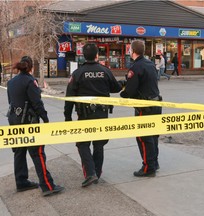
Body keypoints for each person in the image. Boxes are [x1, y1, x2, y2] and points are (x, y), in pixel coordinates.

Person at [64, 43, 123, 187]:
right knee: (99, 144)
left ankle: (91, 173)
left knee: (82, 144)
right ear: (97, 55)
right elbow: (115, 88)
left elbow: (69, 96)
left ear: (83, 55)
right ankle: (96, 172)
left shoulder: (78, 73)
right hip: (102, 114)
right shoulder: (105, 71)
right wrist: (123, 82)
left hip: (84, 115)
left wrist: (67, 116)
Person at [7, 56, 64, 196]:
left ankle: (21, 181)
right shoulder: (30, 81)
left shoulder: (11, 82)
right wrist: (45, 118)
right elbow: (37, 103)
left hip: (14, 120)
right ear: (31, 67)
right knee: (37, 153)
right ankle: (47, 185)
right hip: (28, 121)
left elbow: (11, 101)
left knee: (19, 152)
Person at [120, 40, 162, 177]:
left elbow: (131, 90)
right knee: (154, 135)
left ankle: (148, 168)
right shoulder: (150, 64)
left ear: (132, 51)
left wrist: (123, 93)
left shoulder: (135, 67)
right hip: (156, 105)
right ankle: (154, 162)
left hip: (145, 107)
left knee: (143, 137)